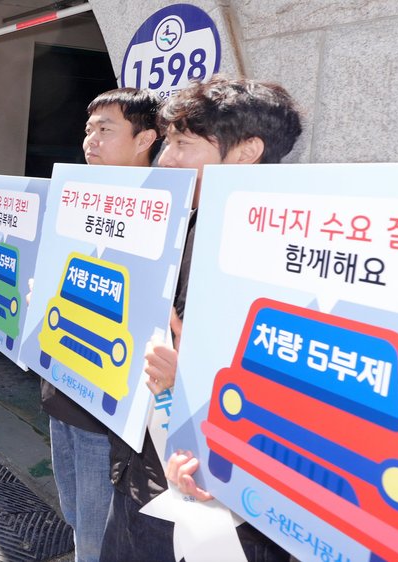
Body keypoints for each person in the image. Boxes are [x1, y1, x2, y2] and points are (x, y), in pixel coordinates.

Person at [100, 76, 302, 562]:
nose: (166, 160)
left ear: (247, 151)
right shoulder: (182, 225)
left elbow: (303, 398)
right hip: (145, 469)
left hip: (223, 504)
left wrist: (191, 378)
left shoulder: (287, 256)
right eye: (167, 143)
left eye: (183, 145)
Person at [0, 88, 162, 562]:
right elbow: (33, 274)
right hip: (60, 394)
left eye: (105, 129)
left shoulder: (164, 218)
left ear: (145, 139)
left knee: (96, 534)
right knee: (74, 516)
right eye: (88, 130)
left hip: (108, 417)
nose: (91, 140)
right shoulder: (69, 202)